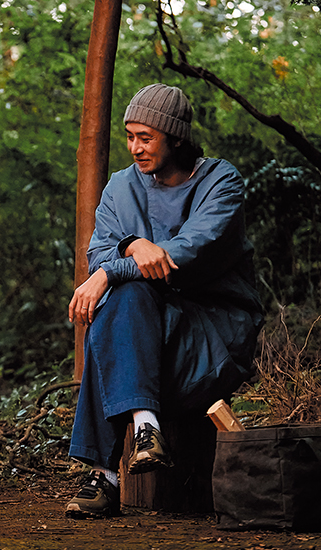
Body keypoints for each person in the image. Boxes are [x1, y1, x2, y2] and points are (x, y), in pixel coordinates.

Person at [64, 84, 263, 518]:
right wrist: (132, 246)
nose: (135, 147)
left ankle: (104, 476)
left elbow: (187, 252)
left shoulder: (219, 181)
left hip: (212, 329)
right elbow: (99, 250)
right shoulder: (121, 187)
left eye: (146, 137)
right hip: (145, 326)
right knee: (125, 301)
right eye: (130, 136)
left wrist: (111, 270)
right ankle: (147, 428)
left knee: (116, 308)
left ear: (176, 137)